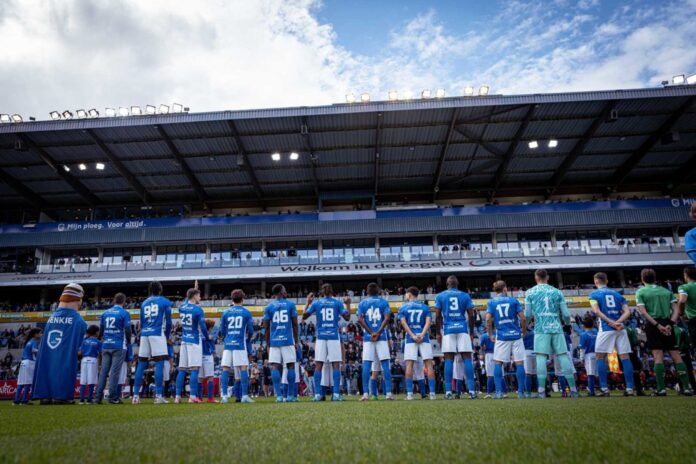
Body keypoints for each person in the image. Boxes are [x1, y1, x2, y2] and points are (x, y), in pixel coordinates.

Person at [635, 268, 692, 396]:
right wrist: (670, 324)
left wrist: (657, 325)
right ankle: (687, 388)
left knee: (658, 357)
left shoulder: (641, 292)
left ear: (642, 279)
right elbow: (676, 309)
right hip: (668, 324)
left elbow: (643, 312)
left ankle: (661, 389)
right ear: (654, 278)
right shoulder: (666, 291)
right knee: (676, 356)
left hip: (653, 325)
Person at [524, 269, 578, 398]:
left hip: (541, 328)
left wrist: (525, 326)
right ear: (547, 277)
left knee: (541, 357)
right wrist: (566, 324)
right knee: (563, 356)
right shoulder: (557, 292)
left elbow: (527, 314)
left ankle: (541, 391)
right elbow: (565, 314)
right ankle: (574, 390)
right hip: (556, 327)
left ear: (536, 277)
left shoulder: (530, 292)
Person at [32, 283, 88, 404]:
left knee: (46, 365)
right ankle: (61, 396)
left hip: (49, 350)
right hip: (65, 352)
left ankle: (45, 396)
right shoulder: (79, 321)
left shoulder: (51, 318)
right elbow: (79, 344)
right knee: (65, 364)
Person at [589, 272, 635, 396]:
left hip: (606, 328)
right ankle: (630, 389)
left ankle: (604, 389)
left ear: (596, 282)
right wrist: (618, 322)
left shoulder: (594, 294)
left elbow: (596, 311)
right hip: (620, 328)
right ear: (607, 280)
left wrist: (610, 322)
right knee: (625, 357)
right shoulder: (617, 294)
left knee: (600, 357)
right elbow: (627, 312)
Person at [302, 283, 351, 401]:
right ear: (332, 291)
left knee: (319, 366)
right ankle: (336, 395)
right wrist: (348, 304)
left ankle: (318, 395)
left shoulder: (317, 303)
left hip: (321, 337)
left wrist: (308, 302)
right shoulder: (337, 303)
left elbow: (304, 316)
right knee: (335, 366)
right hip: (333, 336)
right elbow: (348, 318)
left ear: (322, 292)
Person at [434, 276, 476, 399]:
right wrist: (472, 332)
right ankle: (472, 391)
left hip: (448, 329)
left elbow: (437, 316)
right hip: (462, 328)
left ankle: (448, 392)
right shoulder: (465, 295)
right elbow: (471, 315)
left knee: (448, 360)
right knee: (467, 359)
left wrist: (438, 332)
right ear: (457, 284)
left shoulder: (440, 296)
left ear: (447, 284)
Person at [133, 281, 172, 405]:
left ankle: (135, 396)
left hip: (145, 333)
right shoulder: (165, 301)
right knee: (159, 363)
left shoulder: (144, 302)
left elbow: (141, 321)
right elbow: (169, 322)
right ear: (160, 289)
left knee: (141, 363)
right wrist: (166, 336)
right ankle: (158, 395)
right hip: (157, 332)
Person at [486, 280, 526, 399]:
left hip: (502, 335)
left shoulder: (492, 302)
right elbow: (523, 319)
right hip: (515, 335)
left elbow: (488, 320)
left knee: (498, 362)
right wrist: (523, 332)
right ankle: (520, 392)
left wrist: (490, 334)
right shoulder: (513, 301)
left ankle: (498, 392)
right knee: (519, 363)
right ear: (504, 289)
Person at [398, 286, 437, 400]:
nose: (405, 296)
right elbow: (428, 322)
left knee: (409, 365)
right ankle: (433, 394)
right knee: (429, 365)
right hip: (424, 338)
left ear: (409, 294)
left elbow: (404, 324)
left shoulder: (403, 307)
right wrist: (422, 334)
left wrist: (413, 336)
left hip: (410, 339)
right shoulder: (425, 307)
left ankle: (410, 394)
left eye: (406, 294)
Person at [263, 284, 299, 403]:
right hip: (288, 340)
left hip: (274, 341)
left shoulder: (268, 307)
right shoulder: (290, 304)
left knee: (275, 367)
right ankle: (290, 396)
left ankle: (278, 396)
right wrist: (297, 341)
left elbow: (266, 327)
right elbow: (294, 324)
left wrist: (268, 344)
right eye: (284, 290)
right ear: (281, 292)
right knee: (291, 366)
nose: (286, 291)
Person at [357, 282, 392, 401]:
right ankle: (388, 394)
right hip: (381, 337)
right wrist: (378, 332)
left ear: (367, 292)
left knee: (367, 365)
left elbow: (360, 319)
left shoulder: (362, 303)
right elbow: (387, 318)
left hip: (368, 337)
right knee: (385, 365)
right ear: (378, 291)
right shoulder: (383, 302)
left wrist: (370, 332)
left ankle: (366, 394)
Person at [95, 293, 132, 404]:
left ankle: (97, 398)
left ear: (114, 301)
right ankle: (112, 397)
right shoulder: (124, 313)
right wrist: (129, 341)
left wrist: (103, 338)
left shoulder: (105, 313)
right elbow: (128, 330)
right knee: (114, 372)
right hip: (118, 345)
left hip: (106, 345)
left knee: (103, 372)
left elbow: (101, 330)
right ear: (124, 302)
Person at [175, 288, 209, 404]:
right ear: (194, 296)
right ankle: (192, 396)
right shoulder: (198, 310)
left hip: (184, 340)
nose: (200, 298)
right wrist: (207, 337)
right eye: (199, 296)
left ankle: (177, 397)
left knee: (182, 369)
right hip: (194, 340)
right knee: (195, 369)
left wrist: (190, 293)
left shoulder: (182, 307)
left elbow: (186, 302)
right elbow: (203, 327)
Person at [220, 289, 254, 403]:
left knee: (225, 368)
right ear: (242, 299)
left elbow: (222, 330)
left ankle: (224, 396)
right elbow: (251, 330)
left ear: (232, 299)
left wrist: (227, 338)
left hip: (228, 344)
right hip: (240, 343)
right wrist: (247, 339)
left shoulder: (225, 312)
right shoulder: (246, 312)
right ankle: (244, 396)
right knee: (243, 367)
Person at [14, 328, 42, 405]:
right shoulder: (34, 341)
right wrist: (41, 351)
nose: (41, 335)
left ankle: (16, 400)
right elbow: (33, 350)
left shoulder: (29, 341)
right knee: (28, 382)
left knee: (21, 382)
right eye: (39, 333)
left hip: (23, 362)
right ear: (35, 334)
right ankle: (25, 400)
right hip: (29, 362)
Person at [78, 325, 101, 405]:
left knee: (83, 380)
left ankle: (81, 400)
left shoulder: (84, 341)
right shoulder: (98, 342)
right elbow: (100, 353)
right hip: (93, 360)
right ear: (96, 332)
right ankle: (89, 400)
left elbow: (80, 352)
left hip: (84, 360)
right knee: (92, 380)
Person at [678, 266, 696, 354]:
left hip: (694, 320)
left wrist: (680, 313)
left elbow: (682, 300)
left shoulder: (684, 287)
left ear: (686, 275)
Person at [578, 317, 598, 396]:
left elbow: (582, 348)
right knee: (597, 374)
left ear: (583, 325)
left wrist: (581, 358)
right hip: (598, 354)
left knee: (590, 374)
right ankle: (601, 389)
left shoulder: (583, 334)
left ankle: (591, 391)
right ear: (593, 325)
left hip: (589, 355)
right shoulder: (596, 332)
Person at [199, 319, 217, 403]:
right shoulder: (209, 336)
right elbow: (213, 349)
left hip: (199, 357)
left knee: (200, 378)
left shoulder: (199, 335)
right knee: (210, 378)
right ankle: (210, 398)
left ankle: (199, 398)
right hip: (208, 357)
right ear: (209, 327)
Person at [478, 331, 495, 398]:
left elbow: (481, 346)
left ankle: (489, 393)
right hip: (498, 353)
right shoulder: (498, 333)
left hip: (489, 354)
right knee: (501, 375)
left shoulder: (484, 336)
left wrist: (482, 351)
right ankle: (503, 392)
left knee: (490, 375)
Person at [522, 326, 536, 396]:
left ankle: (528, 392)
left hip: (526, 352)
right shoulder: (534, 332)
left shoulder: (523, 333)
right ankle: (540, 391)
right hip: (535, 352)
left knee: (527, 374)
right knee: (536, 374)